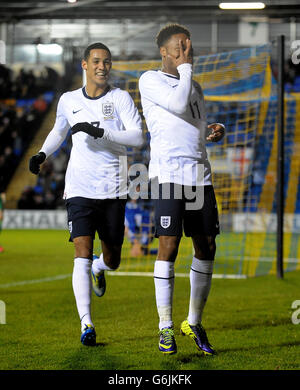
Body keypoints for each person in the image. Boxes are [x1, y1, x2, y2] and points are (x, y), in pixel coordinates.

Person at [29, 42, 143, 346]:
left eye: (106, 61)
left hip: (114, 188)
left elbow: (137, 136)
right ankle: (86, 324)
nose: (102, 67)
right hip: (79, 187)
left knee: (113, 258)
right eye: (96, 61)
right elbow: (58, 130)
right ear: (84, 65)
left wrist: (101, 133)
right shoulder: (68, 100)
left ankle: (100, 266)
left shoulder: (120, 98)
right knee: (80, 249)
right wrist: (41, 154)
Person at [139, 23, 225, 355]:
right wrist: (186, 68)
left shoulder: (195, 85)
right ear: (164, 52)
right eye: (179, 47)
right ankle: (165, 327)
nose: (186, 52)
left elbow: (193, 124)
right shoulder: (150, 79)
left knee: (206, 247)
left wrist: (212, 129)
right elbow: (176, 104)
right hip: (168, 175)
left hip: (199, 176)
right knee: (169, 245)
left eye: (188, 46)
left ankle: (194, 321)